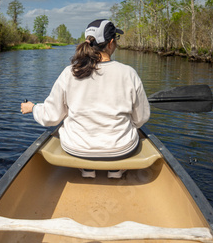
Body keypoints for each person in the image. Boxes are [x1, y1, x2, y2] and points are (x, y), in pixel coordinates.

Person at [20, 19, 150, 178]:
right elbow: (141, 118)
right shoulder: (128, 73)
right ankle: (116, 169)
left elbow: (51, 117)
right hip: (121, 149)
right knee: (131, 129)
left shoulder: (70, 72)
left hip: (77, 149)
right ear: (110, 44)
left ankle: (86, 168)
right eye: (116, 39)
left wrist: (33, 108)